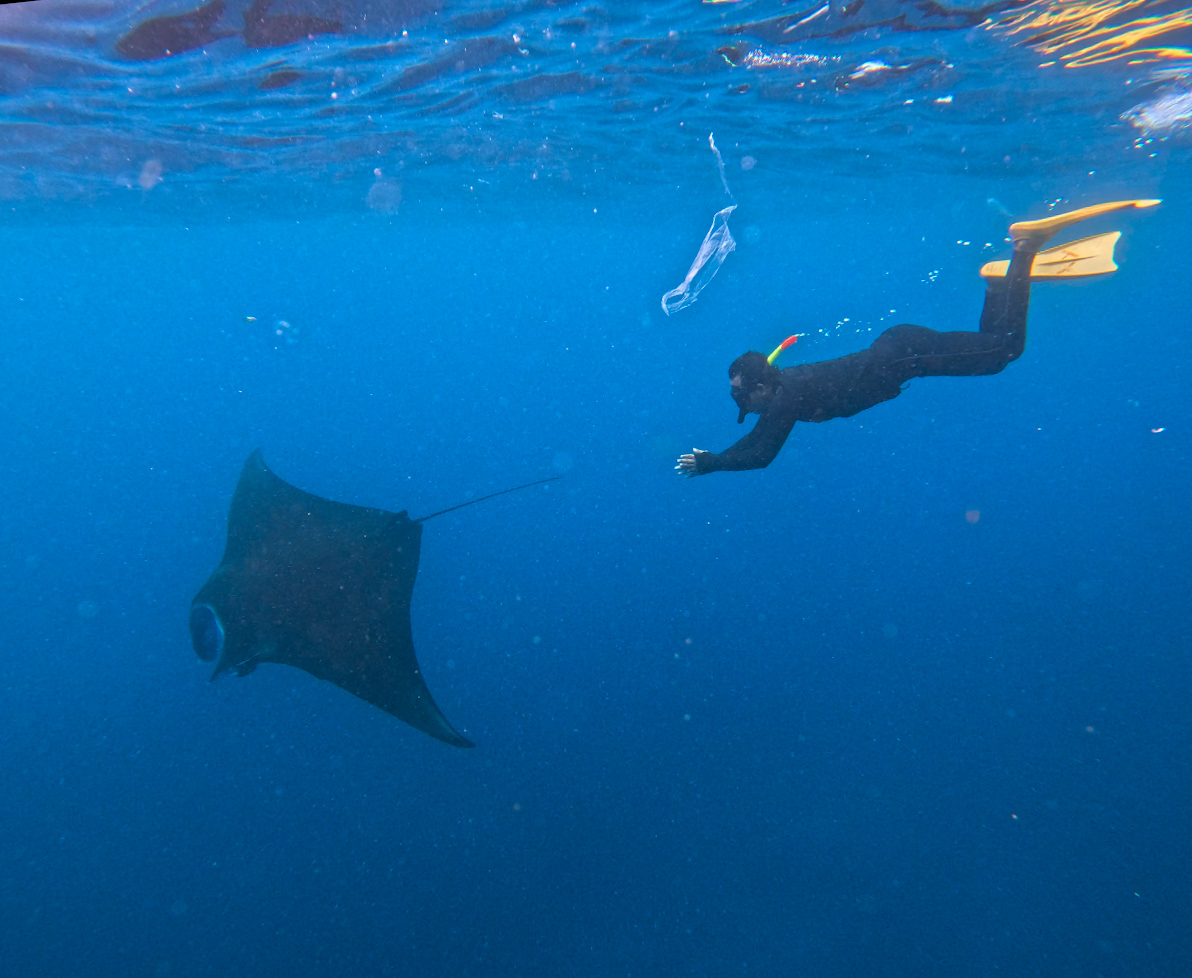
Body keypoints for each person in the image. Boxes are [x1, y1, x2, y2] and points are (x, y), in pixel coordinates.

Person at [676, 199, 1159, 477]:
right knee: (994, 347)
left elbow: (761, 453)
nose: (742, 403)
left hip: (908, 355)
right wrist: (719, 455)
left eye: (743, 396)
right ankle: (1000, 280)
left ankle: (1024, 247)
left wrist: (711, 464)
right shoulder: (780, 389)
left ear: (763, 387)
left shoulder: (785, 398)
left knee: (1004, 351)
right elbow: (757, 434)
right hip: (902, 349)